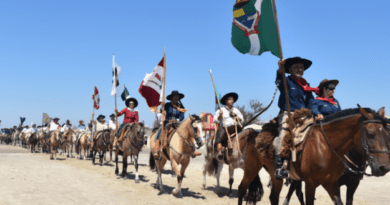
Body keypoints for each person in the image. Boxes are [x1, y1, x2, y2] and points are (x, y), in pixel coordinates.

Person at [273, 57, 317, 180]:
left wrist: (317, 112)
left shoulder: (306, 85)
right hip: (289, 114)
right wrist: (280, 69)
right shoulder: (286, 81)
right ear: (290, 70)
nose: (299, 70)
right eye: (296, 67)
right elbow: (279, 80)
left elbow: (311, 101)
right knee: (283, 135)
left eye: (301, 68)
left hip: (305, 116)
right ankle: (279, 167)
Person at [153, 90, 202, 158]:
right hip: (168, 122)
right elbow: (161, 111)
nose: (176, 98)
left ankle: (193, 150)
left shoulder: (181, 106)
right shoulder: (167, 105)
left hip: (178, 123)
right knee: (159, 132)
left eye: (177, 96)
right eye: (175, 96)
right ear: (171, 98)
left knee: (189, 132)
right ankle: (157, 151)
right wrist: (162, 107)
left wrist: (177, 120)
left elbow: (182, 116)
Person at [213, 92, 244, 159]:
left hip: (235, 127)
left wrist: (236, 117)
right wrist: (220, 115)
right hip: (225, 128)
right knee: (219, 135)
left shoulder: (236, 110)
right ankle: (219, 151)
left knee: (245, 134)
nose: (232, 101)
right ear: (226, 101)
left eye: (232, 99)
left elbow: (242, 119)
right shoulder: (221, 110)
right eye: (230, 99)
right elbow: (215, 120)